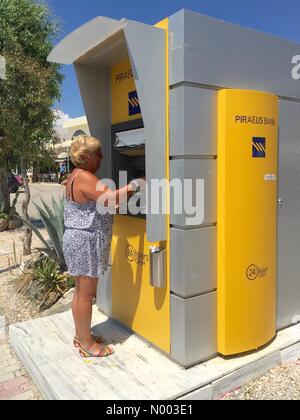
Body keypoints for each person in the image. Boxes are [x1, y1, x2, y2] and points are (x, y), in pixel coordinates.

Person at [63, 135, 141, 358]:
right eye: (98, 153)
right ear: (87, 156)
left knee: (80, 292)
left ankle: (81, 335)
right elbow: (112, 199)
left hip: (78, 238)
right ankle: (88, 344)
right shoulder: (86, 177)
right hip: (86, 241)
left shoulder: (74, 176)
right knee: (86, 295)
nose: (103, 158)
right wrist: (137, 183)